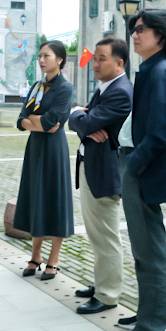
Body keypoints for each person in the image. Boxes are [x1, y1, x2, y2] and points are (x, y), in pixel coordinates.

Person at [115, 9, 166, 331]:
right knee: (144, 250)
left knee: (149, 252)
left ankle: (153, 329)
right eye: (133, 28)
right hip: (141, 169)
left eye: (141, 28)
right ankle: (149, 314)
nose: (134, 34)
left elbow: (160, 133)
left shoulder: (161, 72)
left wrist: (133, 167)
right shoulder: (154, 69)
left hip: (144, 172)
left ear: (161, 34)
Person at [68, 37, 133, 315]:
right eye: (94, 58)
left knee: (106, 236)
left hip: (105, 173)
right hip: (93, 167)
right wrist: (80, 118)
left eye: (102, 58)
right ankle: (101, 283)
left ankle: (107, 294)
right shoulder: (106, 88)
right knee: (98, 235)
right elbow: (83, 123)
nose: (95, 64)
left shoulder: (120, 91)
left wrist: (79, 116)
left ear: (119, 63)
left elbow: (87, 122)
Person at [14, 40, 74, 281]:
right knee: (35, 197)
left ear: (59, 59)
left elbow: (52, 122)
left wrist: (34, 121)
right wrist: (36, 122)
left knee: (54, 199)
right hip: (35, 147)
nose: (41, 60)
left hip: (54, 150)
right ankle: (35, 256)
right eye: (39, 56)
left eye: (46, 56)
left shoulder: (64, 88)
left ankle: (54, 259)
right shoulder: (37, 86)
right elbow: (20, 120)